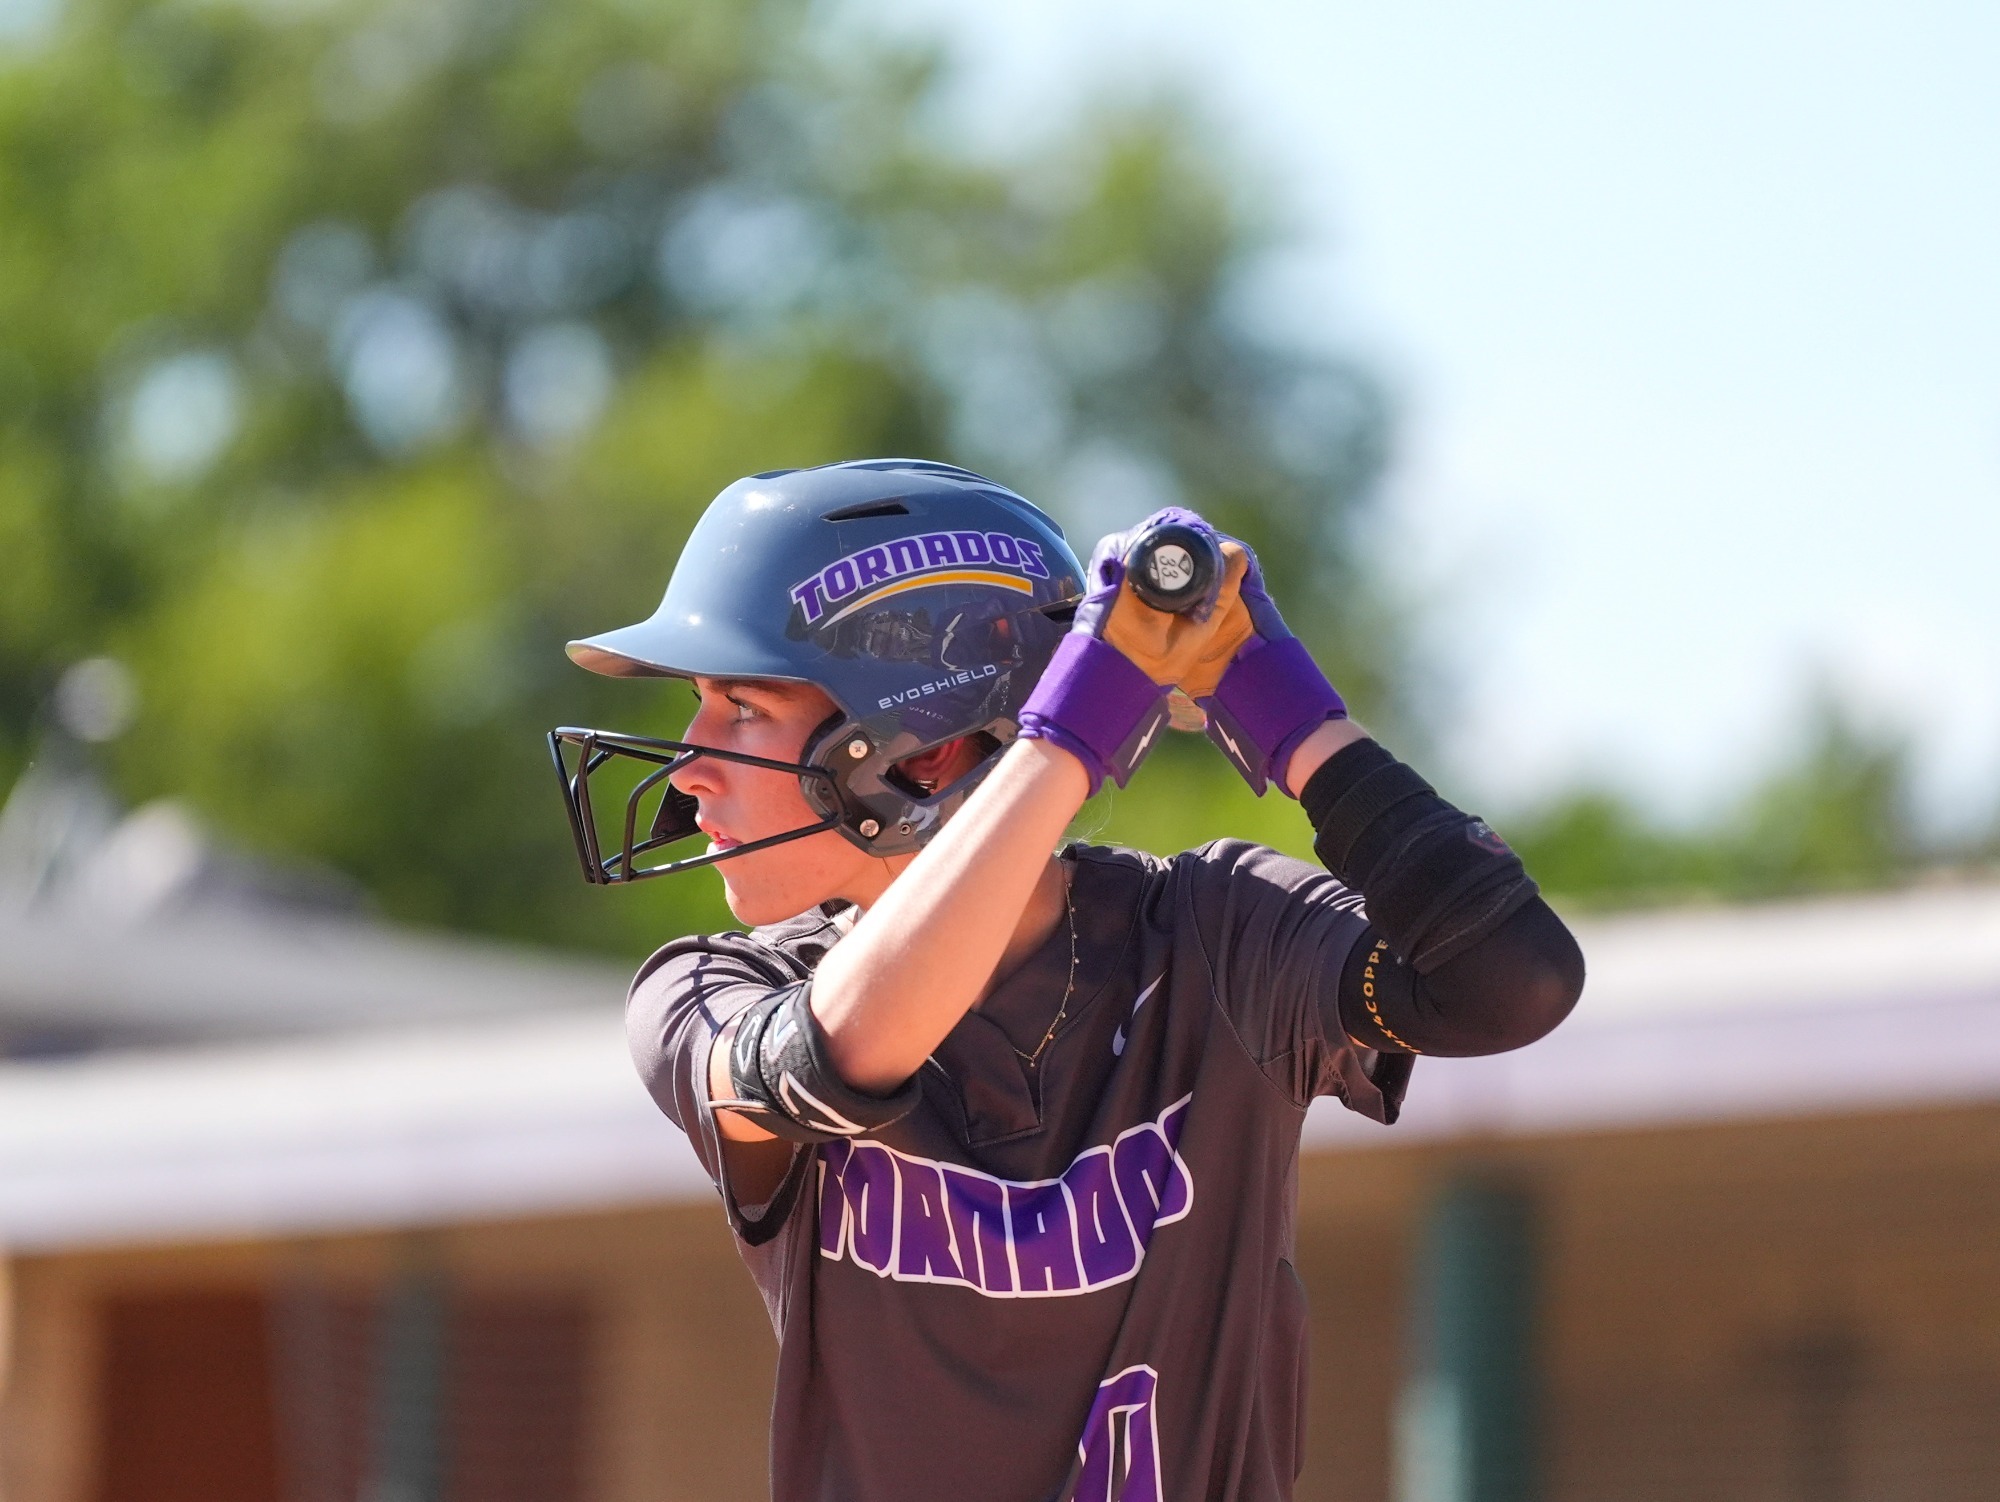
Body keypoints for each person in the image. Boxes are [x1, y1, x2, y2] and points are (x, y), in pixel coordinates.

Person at [549, 458, 1583, 1502]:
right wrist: (1070, 735)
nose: (687, 764)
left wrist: (1281, 706)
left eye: (739, 706)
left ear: (929, 751)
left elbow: (1512, 980)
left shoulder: (1215, 932)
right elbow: (838, 1052)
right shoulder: (710, 985)